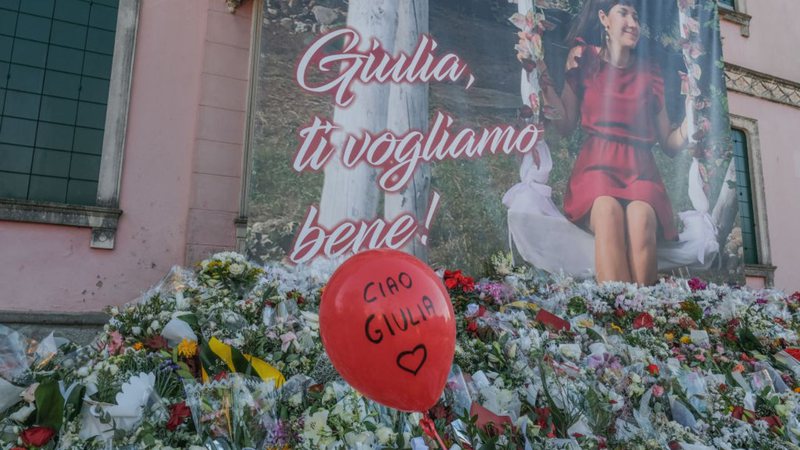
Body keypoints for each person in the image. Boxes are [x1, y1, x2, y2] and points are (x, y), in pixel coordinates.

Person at [537, 0, 689, 286]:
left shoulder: (651, 72)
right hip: (597, 168)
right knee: (607, 212)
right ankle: (618, 312)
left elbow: (669, 142)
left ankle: (647, 318)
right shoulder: (584, 59)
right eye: (624, 13)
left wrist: (693, 122)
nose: (632, 22)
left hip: (641, 171)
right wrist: (542, 76)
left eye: (635, 16)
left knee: (641, 217)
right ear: (604, 18)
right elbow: (565, 124)